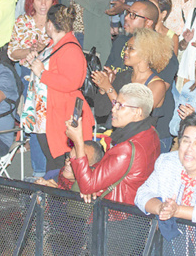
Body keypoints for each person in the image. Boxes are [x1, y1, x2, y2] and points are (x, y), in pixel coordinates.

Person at [65, 82, 159, 215]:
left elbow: (87, 187)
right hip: (134, 214)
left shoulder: (127, 148)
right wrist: (93, 180)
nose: (113, 109)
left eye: (120, 106)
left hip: (115, 218)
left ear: (137, 112)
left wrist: (78, 142)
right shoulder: (151, 132)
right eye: (115, 103)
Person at [25, 4, 96, 172]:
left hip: (60, 115)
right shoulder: (54, 45)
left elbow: (72, 82)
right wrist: (35, 61)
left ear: (50, 24)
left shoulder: (70, 48)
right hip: (47, 115)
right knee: (54, 164)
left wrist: (42, 73)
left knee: (59, 165)